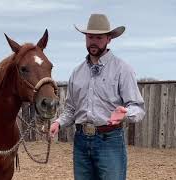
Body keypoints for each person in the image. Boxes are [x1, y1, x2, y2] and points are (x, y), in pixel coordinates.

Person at [50, 14, 145, 180]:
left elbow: (138, 108)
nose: (93, 41)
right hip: (80, 142)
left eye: (99, 37)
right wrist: (59, 123)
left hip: (110, 141)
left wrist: (124, 113)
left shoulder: (122, 70)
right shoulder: (77, 72)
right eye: (90, 37)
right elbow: (71, 109)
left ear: (109, 39)